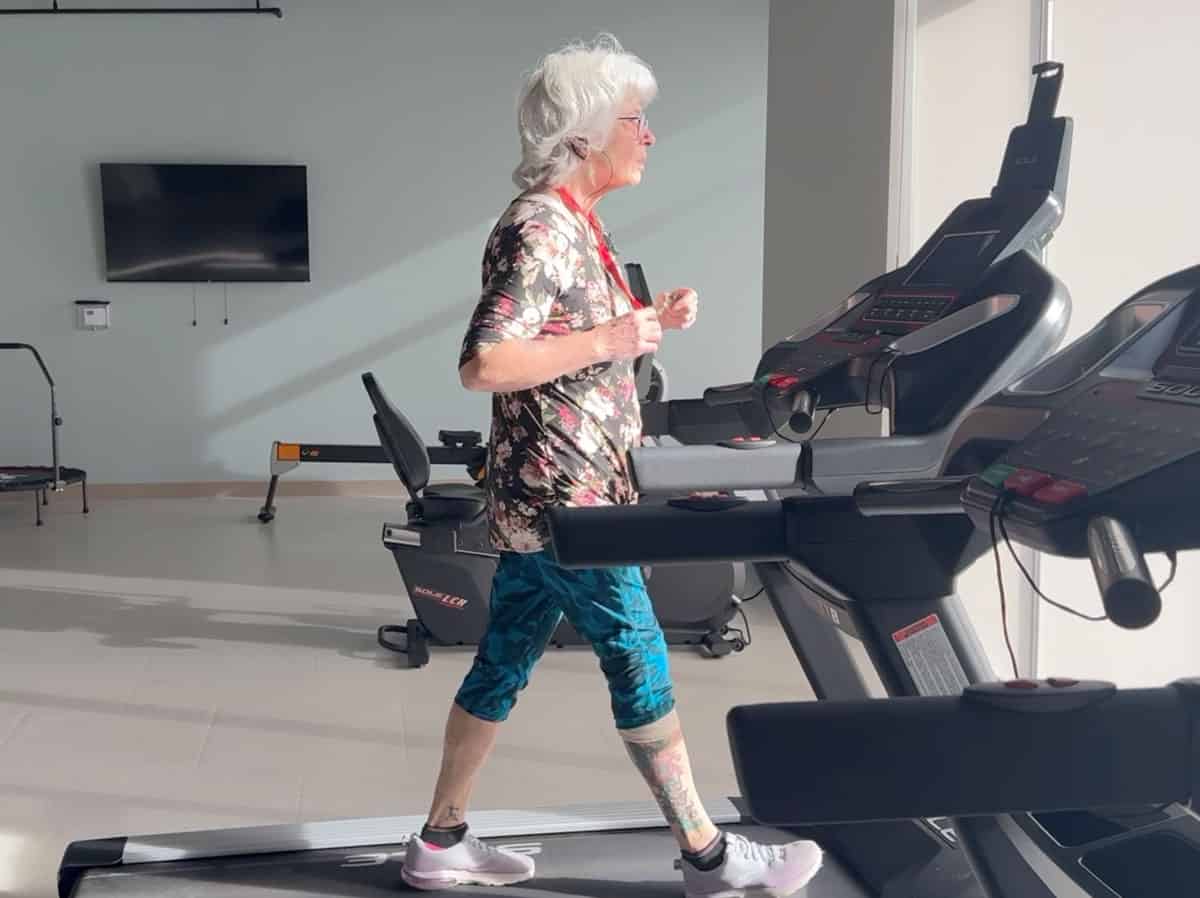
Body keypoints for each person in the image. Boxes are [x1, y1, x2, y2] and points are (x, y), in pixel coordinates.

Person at [401, 35, 823, 897]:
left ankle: (440, 842)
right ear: (587, 134)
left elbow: (569, 347)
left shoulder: (578, 225)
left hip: (553, 489)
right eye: (637, 120)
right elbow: (487, 362)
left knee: (503, 659)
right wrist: (613, 336)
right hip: (569, 498)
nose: (650, 135)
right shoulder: (539, 227)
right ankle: (707, 857)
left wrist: (645, 315)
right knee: (637, 652)